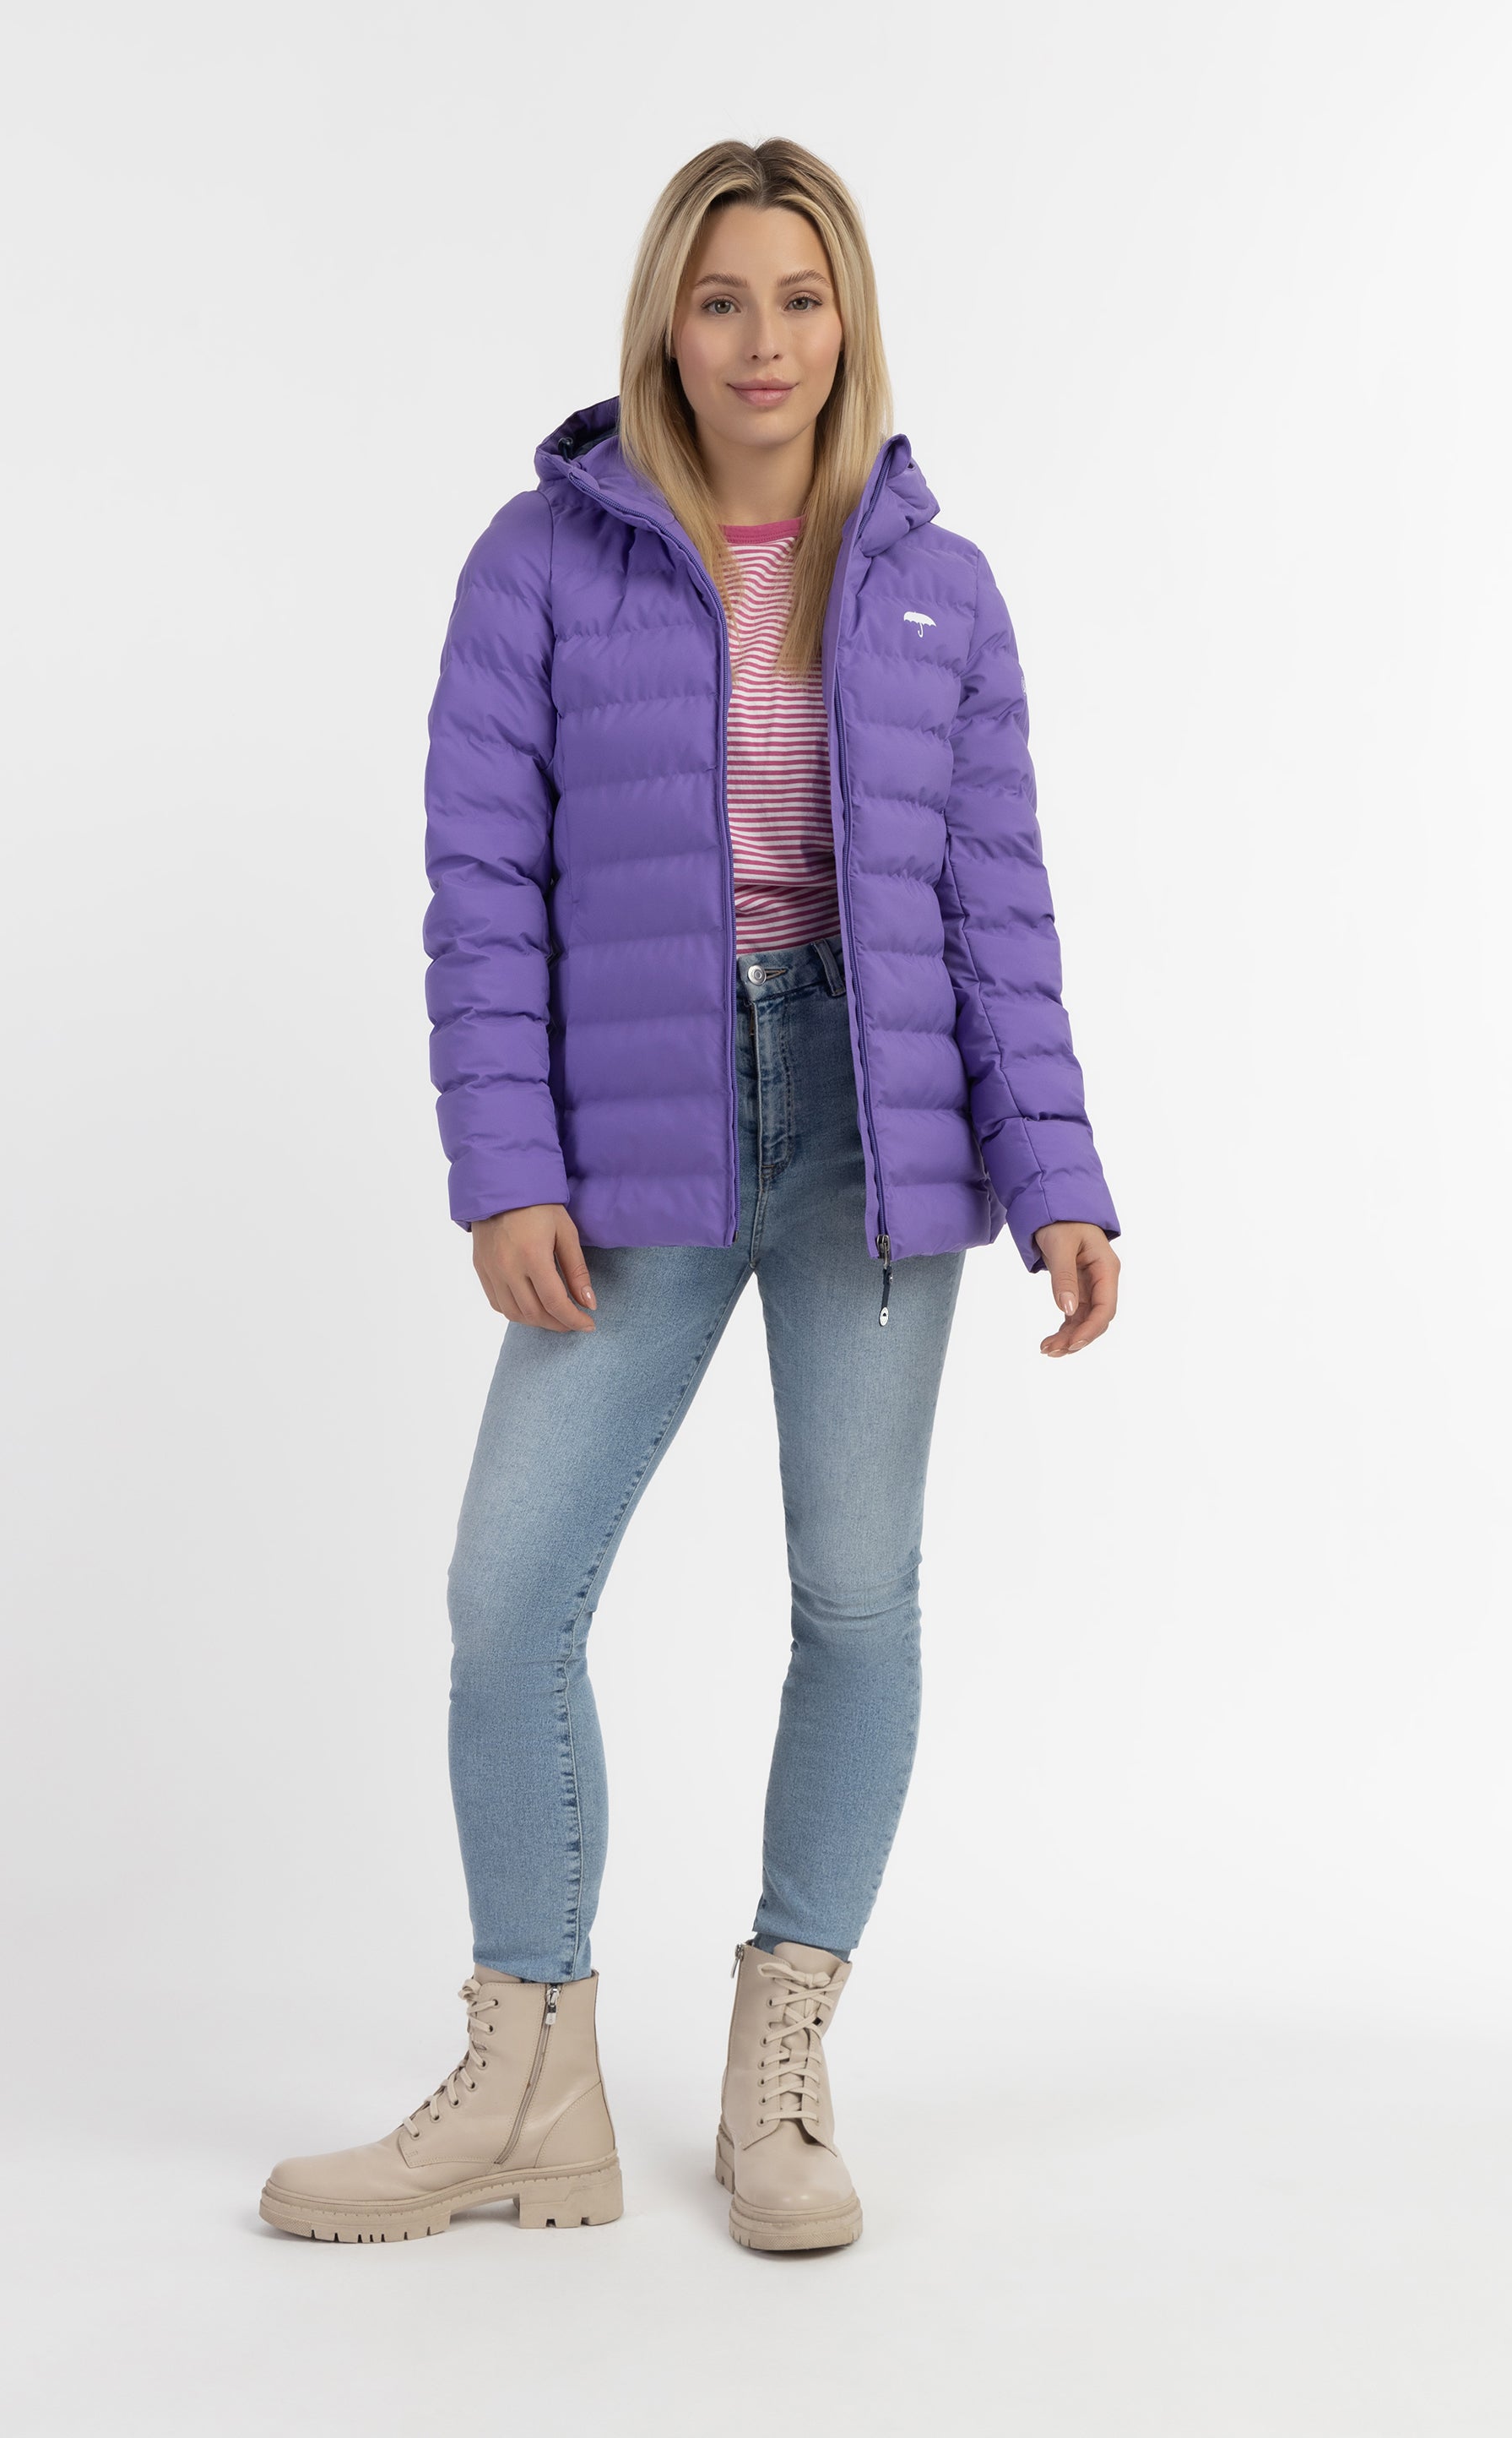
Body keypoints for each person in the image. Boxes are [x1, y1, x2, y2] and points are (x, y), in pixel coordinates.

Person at [260, 136, 1120, 2254]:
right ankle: (529, 2076)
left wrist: (1058, 1175)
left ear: (849, 320)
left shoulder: (935, 585)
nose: (761, 340)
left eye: (799, 298)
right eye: (722, 297)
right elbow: (482, 884)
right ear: (666, 315)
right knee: (506, 1595)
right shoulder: (539, 563)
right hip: (634, 1132)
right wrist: (504, 1167)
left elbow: (995, 905)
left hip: (876, 1136)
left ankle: (779, 2058)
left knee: (856, 1596)